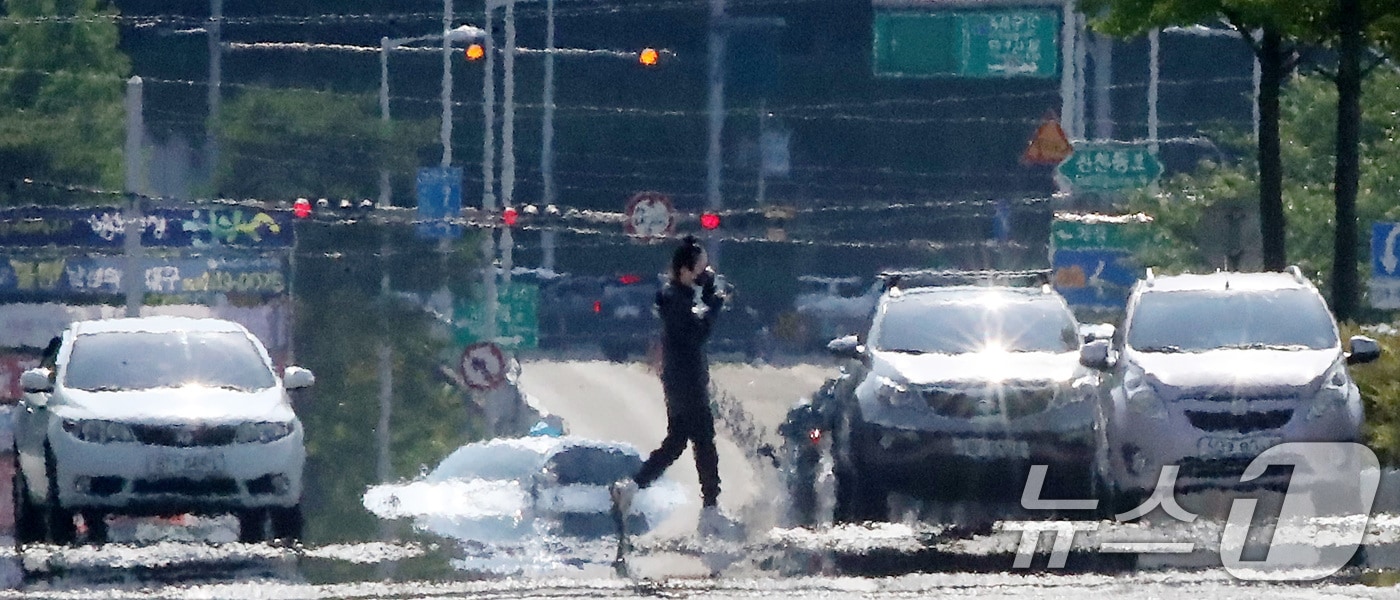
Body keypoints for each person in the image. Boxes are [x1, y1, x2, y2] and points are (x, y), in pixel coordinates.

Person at [611, 235, 736, 538]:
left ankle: (632, 486)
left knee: (677, 442)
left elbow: (696, 321)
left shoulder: (679, 296)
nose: (705, 273)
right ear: (685, 270)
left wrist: (708, 292)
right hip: (687, 383)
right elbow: (697, 334)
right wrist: (716, 303)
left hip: (681, 381)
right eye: (701, 268)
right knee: (704, 442)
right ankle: (710, 510)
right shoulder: (674, 299)